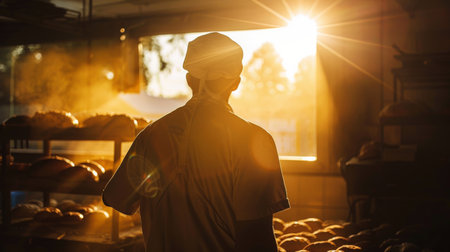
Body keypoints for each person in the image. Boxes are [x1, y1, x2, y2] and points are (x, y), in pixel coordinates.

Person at [102, 32, 289, 252]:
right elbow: (258, 240)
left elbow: (115, 197)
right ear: (236, 83)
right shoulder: (253, 140)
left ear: (189, 79)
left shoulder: (151, 135)